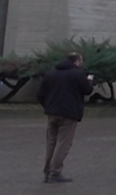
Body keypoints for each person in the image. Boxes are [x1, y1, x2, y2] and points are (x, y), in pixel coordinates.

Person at [37, 52, 95, 183]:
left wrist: (48, 106)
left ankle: (47, 169)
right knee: (63, 143)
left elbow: (40, 94)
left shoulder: (51, 73)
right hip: (69, 113)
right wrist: (90, 80)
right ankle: (55, 171)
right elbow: (87, 90)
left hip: (52, 112)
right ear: (77, 62)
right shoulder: (77, 74)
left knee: (51, 142)